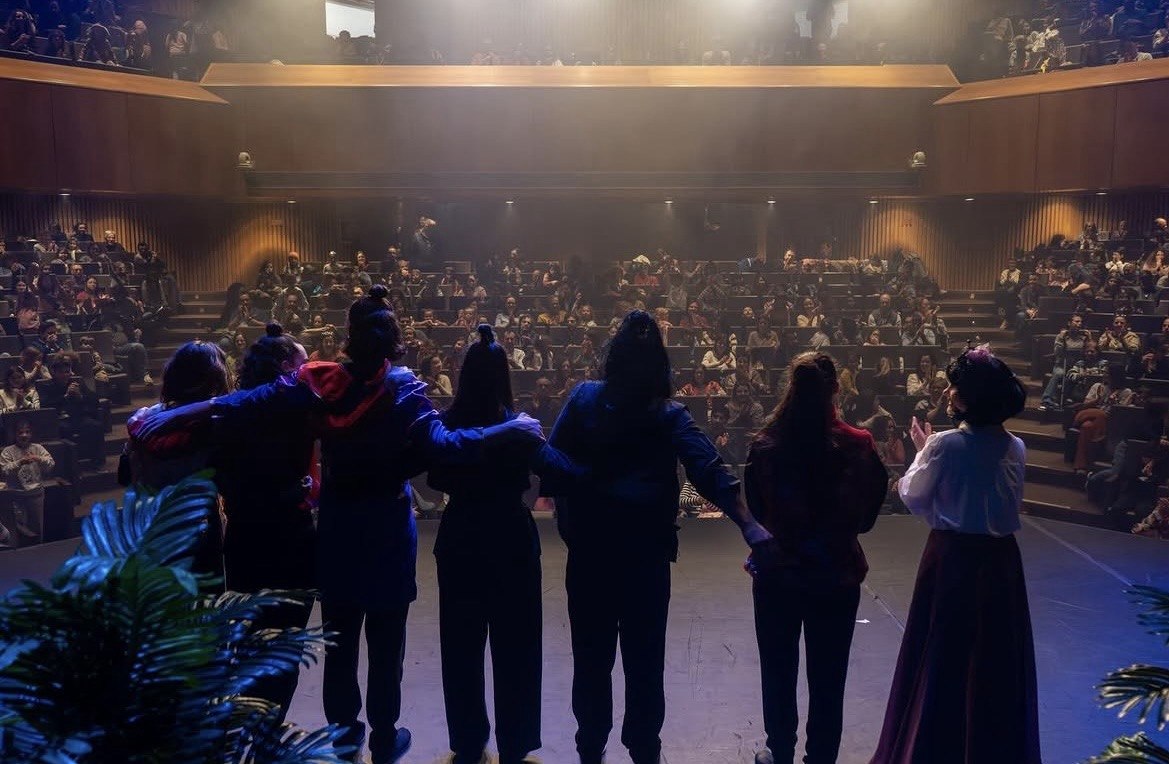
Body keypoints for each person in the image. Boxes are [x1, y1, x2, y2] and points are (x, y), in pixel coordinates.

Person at [136, 285, 545, 764]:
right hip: (388, 527)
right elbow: (444, 447)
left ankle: (344, 735)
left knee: (340, 641)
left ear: (349, 336)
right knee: (387, 642)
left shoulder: (320, 379)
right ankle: (385, 736)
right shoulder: (405, 388)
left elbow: (249, 401)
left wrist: (180, 412)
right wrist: (506, 428)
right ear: (395, 340)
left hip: (337, 525)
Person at [541, 310, 773, 764]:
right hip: (644, 561)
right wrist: (747, 521)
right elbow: (707, 468)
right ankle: (644, 750)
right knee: (645, 663)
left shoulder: (584, 399)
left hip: (590, 559)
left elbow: (552, 465)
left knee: (591, 661)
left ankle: (591, 747)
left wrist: (573, 527)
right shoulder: (666, 414)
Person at [871, 346, 1039, 764]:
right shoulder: (1015, 446)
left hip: (954, 559)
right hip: (1001, 562)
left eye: (955, 387)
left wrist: (922, 453)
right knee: (994, 658)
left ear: (969, 397)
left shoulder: (945, 445)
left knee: (943, 653)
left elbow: (913, 495)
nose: (947, 392)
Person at [745, 352, 887, 764]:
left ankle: (780, 753)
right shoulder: (858, 445)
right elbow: (867, 518)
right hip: (836, 575)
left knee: (778, 670)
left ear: (790, 387)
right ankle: (821, 757)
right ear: (836, 389)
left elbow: (755, 510)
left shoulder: (765, 445)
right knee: (829, 677)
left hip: (778, 576)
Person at [428, 325, 555, 764]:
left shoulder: (447, 423)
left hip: (461, 533)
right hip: (510, 535)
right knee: (517, 646)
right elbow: (549, 469)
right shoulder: (518, 425)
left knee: (460, 646)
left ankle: (467, 740)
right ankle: (515, 742)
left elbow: (436, 477)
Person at [125, 342, 232, 585]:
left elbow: (128, 474)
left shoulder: (145, 418)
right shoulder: (215, 424)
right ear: (214, 378)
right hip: (199, 526)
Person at [0, 419, 54, 548]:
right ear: (15, 435)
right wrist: (20, 462)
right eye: (20, 432)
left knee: (37, 526)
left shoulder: (38, 448)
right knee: (19, 527)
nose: (24, 435)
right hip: (17, 495)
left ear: (31, 434)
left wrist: (39, 459)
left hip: (36, 494)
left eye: (27, 432)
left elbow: (50, 463)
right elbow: (4, 470)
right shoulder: (8, 451)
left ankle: (38, 550)